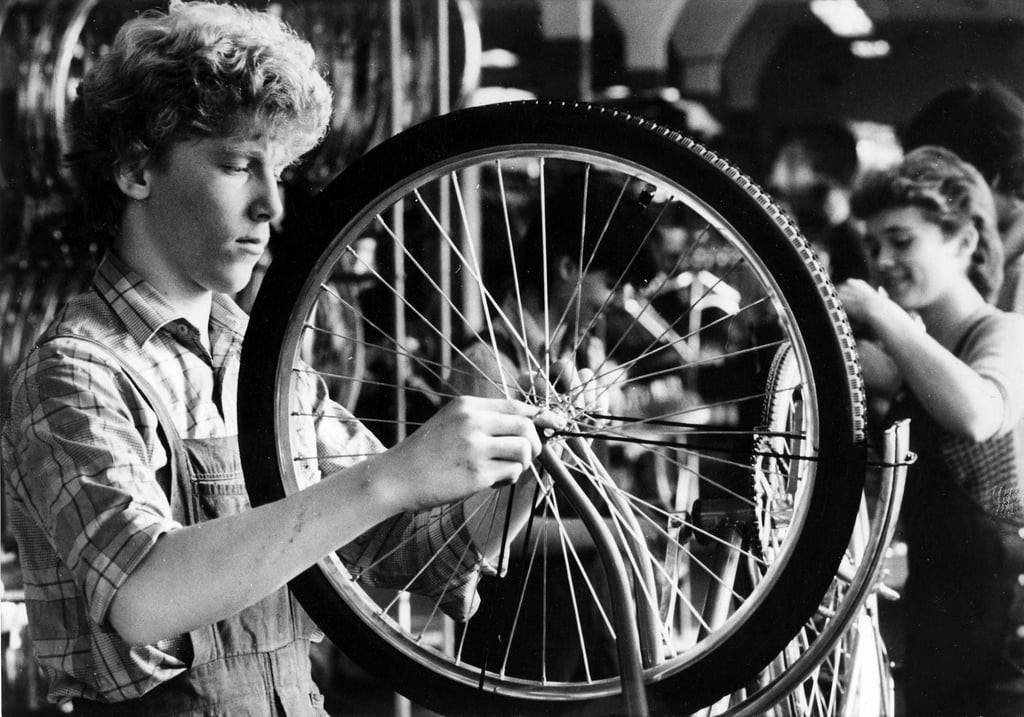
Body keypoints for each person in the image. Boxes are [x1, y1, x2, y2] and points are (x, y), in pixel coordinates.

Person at [0, 2, 562, 714]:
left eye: (280, 171)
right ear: (138, 170)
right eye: (238, 165)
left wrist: (521, 461)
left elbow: (413, 551)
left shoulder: (264, 367)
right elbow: (144, 595)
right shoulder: (77, 372)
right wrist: (394, 473)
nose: (273, 205)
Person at [837, 146, 1024, 716]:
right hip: (935, 618)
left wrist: (884, 316)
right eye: (873, 247)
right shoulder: (918, 356)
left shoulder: (1003, 333)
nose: (883, 260)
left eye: (901, 240)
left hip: (1002, 632)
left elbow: (976, 414)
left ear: (965, 242)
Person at [903, 79, 1024, 315]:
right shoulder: (998, 250)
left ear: (993, 175)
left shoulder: (1019, 272)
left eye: (944, 185)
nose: (937, 202)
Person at [766, 123, 876, 286]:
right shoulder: (791, 212)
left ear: (824, 178)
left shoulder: (848, 232)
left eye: (792, 163)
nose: (775, 176)